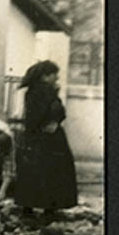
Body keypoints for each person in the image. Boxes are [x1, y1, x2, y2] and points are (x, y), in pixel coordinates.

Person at [12, 60, 78, 222]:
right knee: (54, 171)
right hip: (48, 138)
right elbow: (57, 111)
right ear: (45, 76)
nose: (57, 78)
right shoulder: (46, 91)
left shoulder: (33, 91)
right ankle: (49, 209)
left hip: (34, 137)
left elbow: (34, 116)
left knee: (33, 171)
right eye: (54, 74)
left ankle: (28, 208)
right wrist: (53, 122)